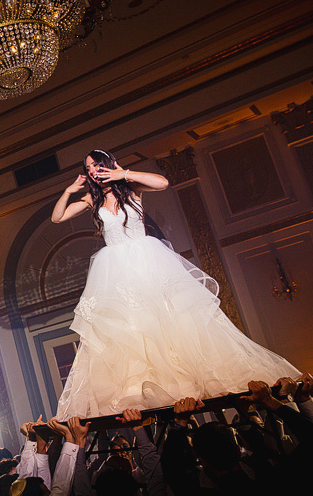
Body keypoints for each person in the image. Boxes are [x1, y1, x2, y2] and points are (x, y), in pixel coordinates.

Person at [51, 149, 300, 419]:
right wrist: (68, 191)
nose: (92, 172)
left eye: (96, 166)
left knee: (172, 321)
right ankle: (148, 388)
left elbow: (163, 183)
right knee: (134, 329)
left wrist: (122, 173)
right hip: (115, 271)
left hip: (148, 262)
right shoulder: (91, 198)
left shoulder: (131, 188)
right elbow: (57, 217)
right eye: (88, 169)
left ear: (107, 165)